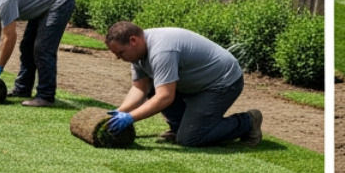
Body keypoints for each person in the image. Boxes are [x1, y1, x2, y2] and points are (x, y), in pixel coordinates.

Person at [103, 22, 261, 148]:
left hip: (221, 82)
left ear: (133, 41)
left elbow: (165, 96)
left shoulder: (161, 50)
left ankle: (247, 121)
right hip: (193, 82)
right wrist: (117, 113)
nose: (118, 57)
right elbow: (140, 88)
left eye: (121, 53)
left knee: (190, 138)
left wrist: (131, 117)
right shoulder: (137, 53)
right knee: (154, 88)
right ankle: (179, 127)